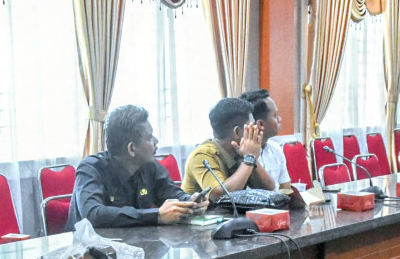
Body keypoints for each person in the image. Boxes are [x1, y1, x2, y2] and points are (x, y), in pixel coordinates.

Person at [64, 104, 204, 230]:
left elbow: (173, 194)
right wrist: (156, 216)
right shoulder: (91, 168)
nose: (156, 141)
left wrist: (190, 202)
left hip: (135, 246)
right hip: (91, 252)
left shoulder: (149, 166)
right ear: (132, 148)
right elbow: (93, 214)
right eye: (149, 138)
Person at [181, 96, 275, 201]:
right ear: (237, 132)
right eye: (252, 126)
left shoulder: (240, 151)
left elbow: (269, 188)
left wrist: (252, 158)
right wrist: (250, 158)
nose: (257, 130)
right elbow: (219, 196)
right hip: (202, 216)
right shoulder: (202, 155)